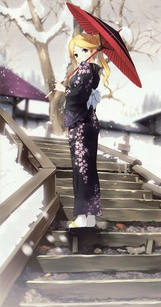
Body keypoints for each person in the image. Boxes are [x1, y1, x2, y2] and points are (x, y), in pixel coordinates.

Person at [54, 34, 112, 228]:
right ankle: (90, 217)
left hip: (81, 125)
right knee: (87, 170)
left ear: (93, 51)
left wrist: (64, 90)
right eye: (76, 53)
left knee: (81, 170)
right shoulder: (90, 71)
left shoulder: (86, 71)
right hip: (88, 125)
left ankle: (81, 217)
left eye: (84, 50)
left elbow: (78, 97)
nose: (80, 56)